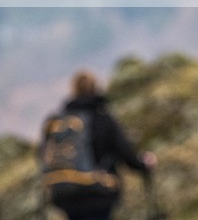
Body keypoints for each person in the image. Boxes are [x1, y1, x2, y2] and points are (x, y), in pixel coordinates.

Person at [40, 70, 157, 220]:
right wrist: (143, 165)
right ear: (96, 87)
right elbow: (125, 153)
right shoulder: (101, 118)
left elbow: (43, 155)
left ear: (73, 90)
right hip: (97, 194)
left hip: (65, 195)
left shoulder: (58, 120)